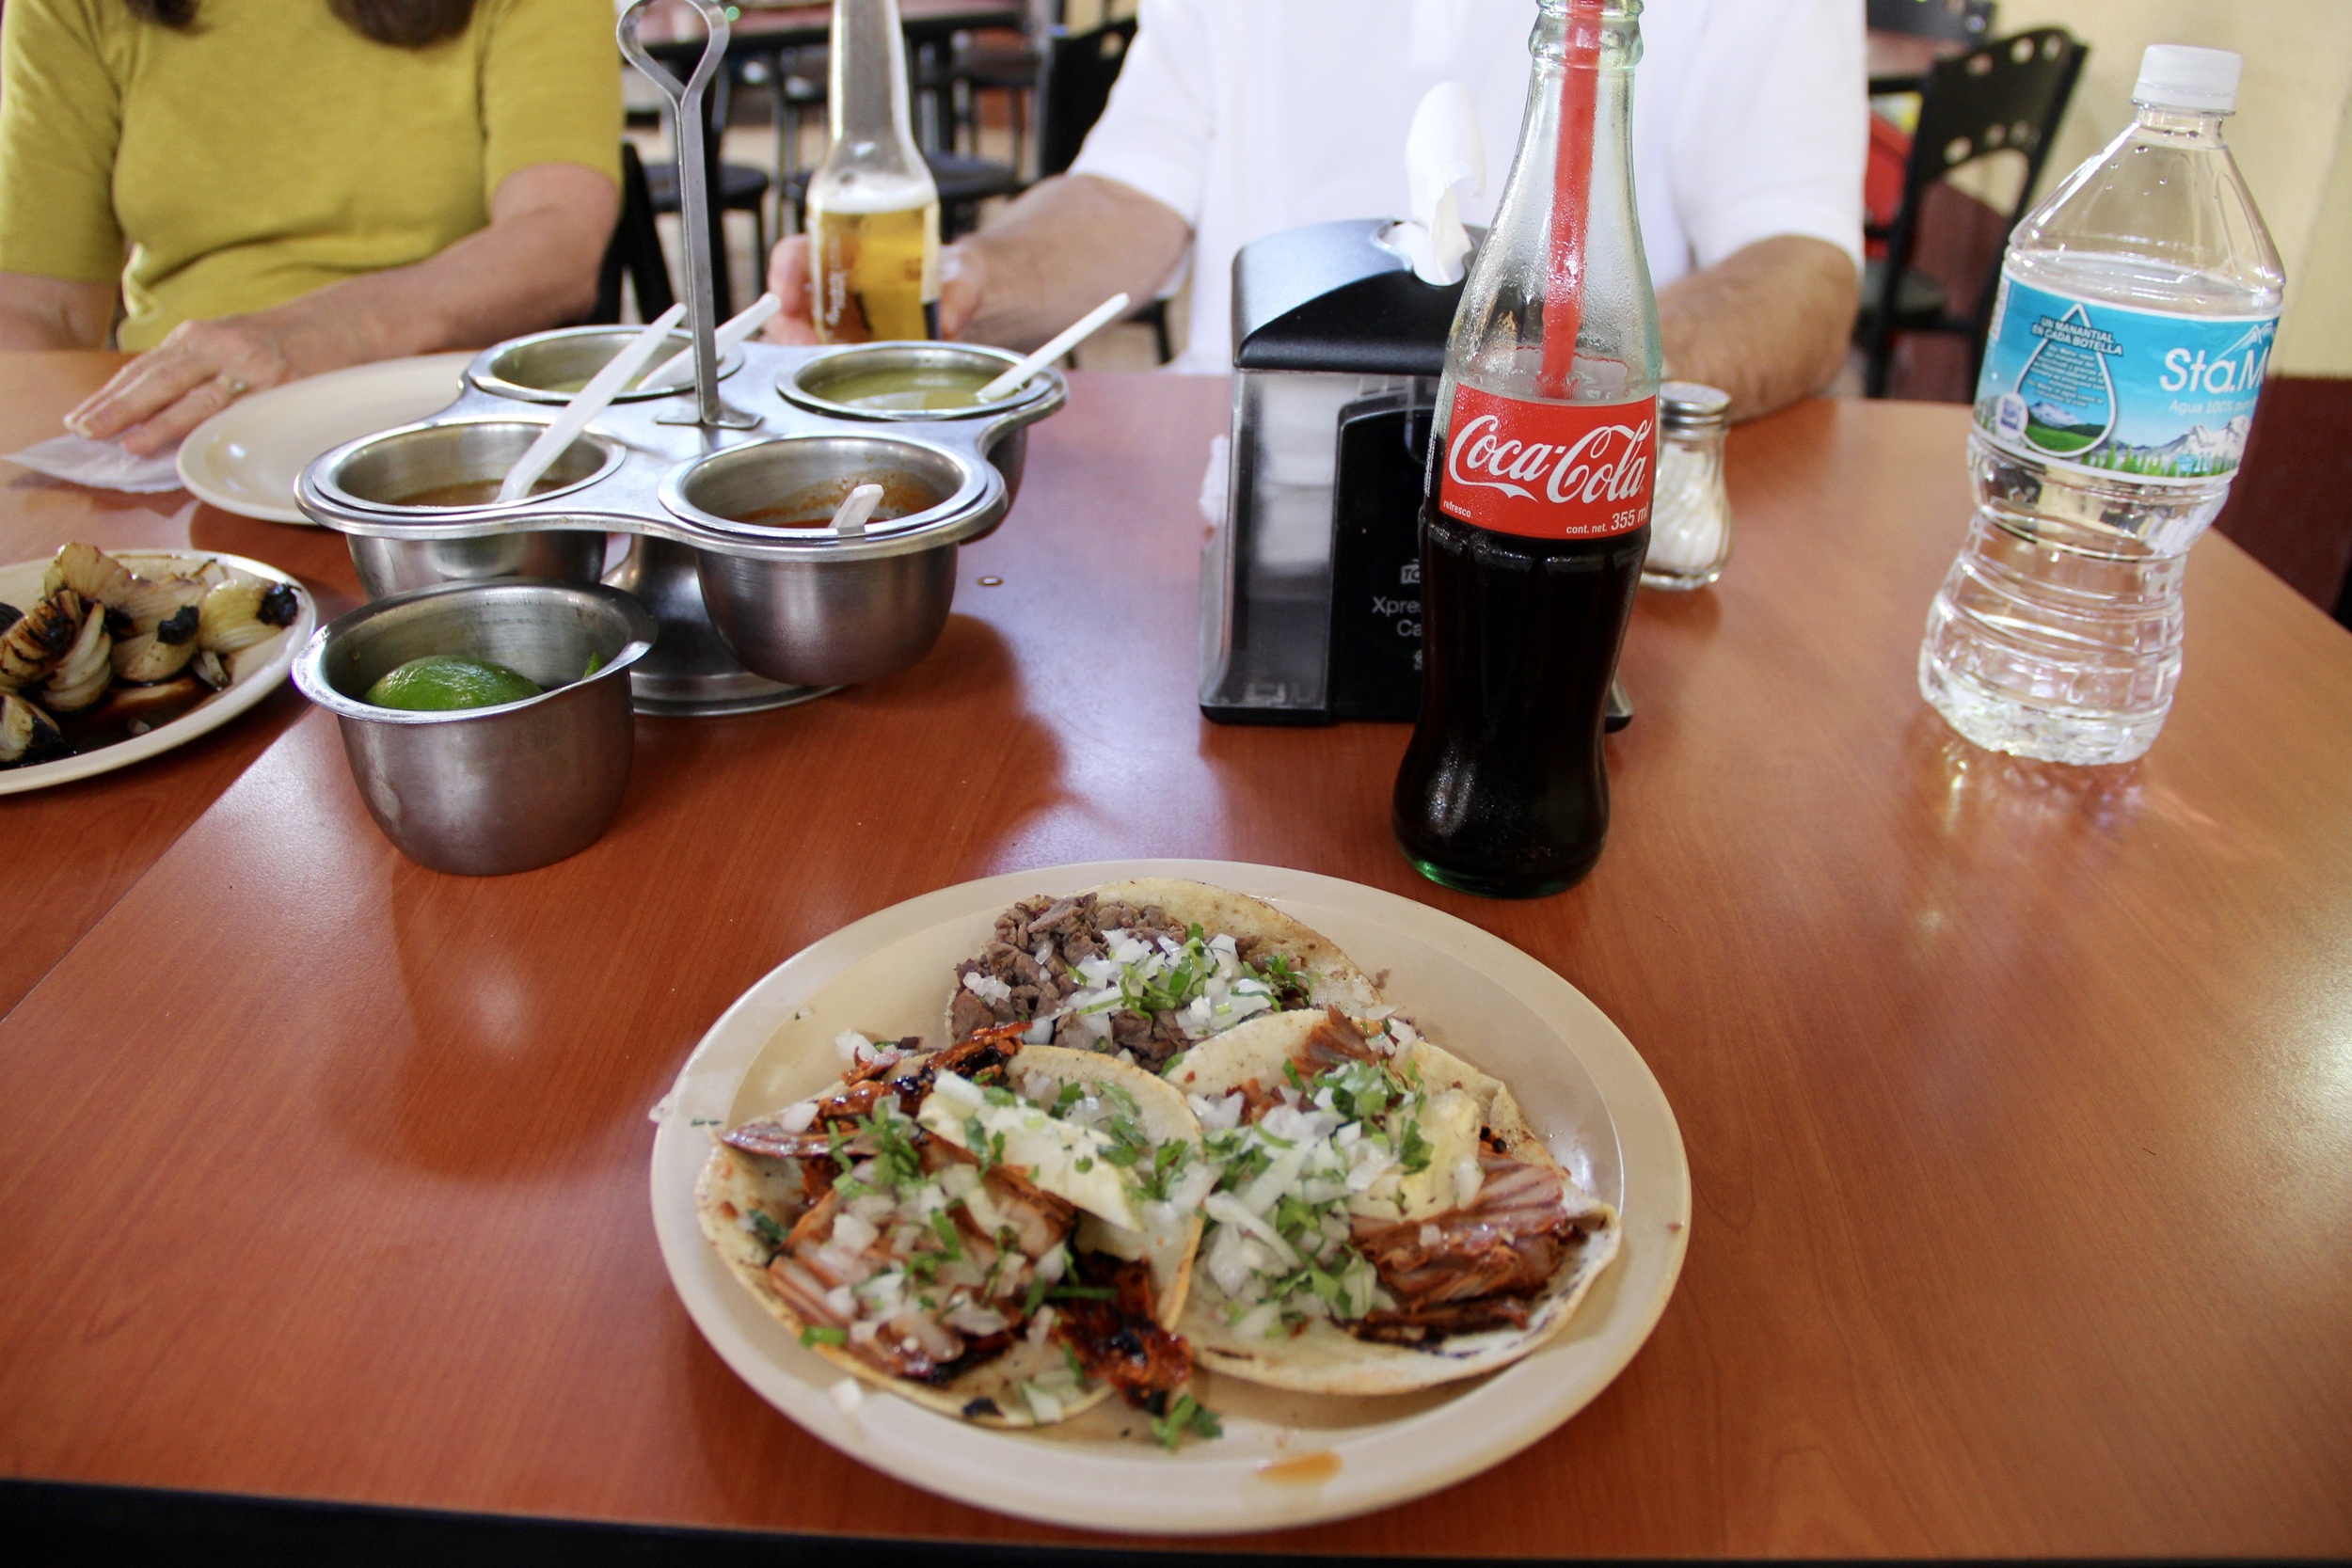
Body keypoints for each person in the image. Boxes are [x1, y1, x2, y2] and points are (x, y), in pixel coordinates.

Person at [766, 0, 1863, 420]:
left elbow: (1800, 268)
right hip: (1235, 497)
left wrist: (1556, 389)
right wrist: (965, 286)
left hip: (1560, 512)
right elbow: (1128, 194)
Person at [0, 0, 623, 456]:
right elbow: (39, 308)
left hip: (456, 435)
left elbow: (558, 239)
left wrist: (330, 332)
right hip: (171, 445)